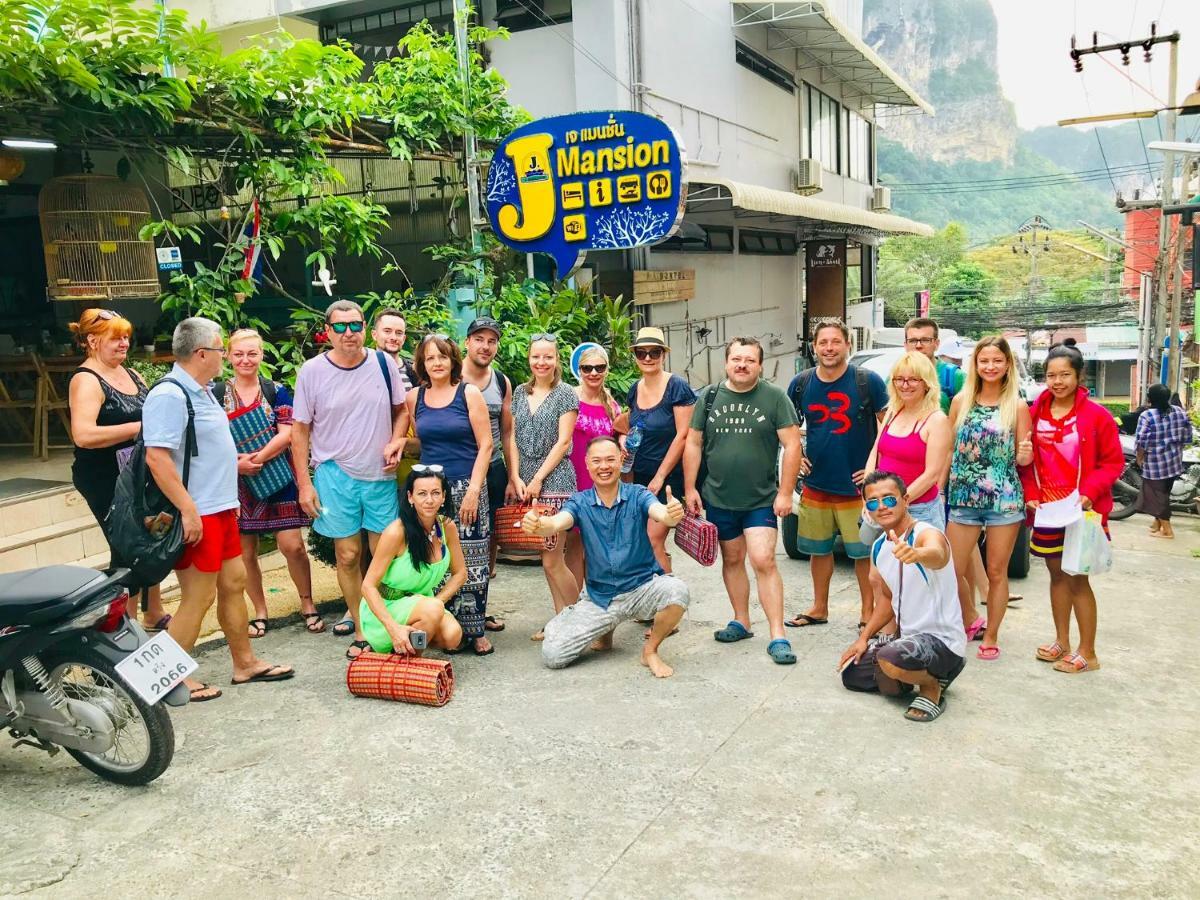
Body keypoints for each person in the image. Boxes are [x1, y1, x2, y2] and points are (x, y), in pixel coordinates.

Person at [143, 317, 293, 702]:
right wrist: (188, 510)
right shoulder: (170, 394)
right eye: (220, 348)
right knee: (199, 596)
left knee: (233, 584)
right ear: (200, 353)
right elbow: (157, 459)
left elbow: (207, 449)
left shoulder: (202, 390)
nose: (224, 355)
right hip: (200, 512)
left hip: (221, 507)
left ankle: (244, 663)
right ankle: (166, 677)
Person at [292, 300, 408, 658]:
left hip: (379, 474)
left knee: (384, 553)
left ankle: (387, 621)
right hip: (334, 474)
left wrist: (397, 439)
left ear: (364, 328)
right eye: (340, 327)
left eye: (355, 325)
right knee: (347, 554)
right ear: (327, 332)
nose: (349, 333)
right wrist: (304, 484)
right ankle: (362, 628)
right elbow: (299, 431)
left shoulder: (383, 363)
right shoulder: (311, 372)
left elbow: (401, 411)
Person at [523, 436, 689, 677]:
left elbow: (661, 513)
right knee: (553, 655)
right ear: (587, 464)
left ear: (621, 461)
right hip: (600, 597)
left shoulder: (637, 494)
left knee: (678, 591)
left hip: (641, 587)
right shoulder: (579, 502)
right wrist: (540, 525)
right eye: (597, 461)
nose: (604, 466)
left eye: (610, 460)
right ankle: (603, 629)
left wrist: (672, 514)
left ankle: (650, 651)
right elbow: (558, 522)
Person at [683, 337, 802, 665]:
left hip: (760, 498)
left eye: (750, 360)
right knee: (732, 559)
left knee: (764, 559)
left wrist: (785, 492)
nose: (742, 365)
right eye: (736, 359)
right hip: (718, 497)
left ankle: (778, 634)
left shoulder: (775, 397)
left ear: (760, 365)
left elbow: (792, 445)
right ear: (726, 363)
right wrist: (690, 488)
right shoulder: (708, 397)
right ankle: (741, 620)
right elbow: (693, 443)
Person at [1021, 342, 1124, 674]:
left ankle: (1088, 652)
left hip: (1082, 511)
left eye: (1065, 374)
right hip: (1049, 511)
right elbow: (1026, 462)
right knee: (1055, 576)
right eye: (1051, 375)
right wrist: (1032, 492)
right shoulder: (1035, 412)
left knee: (1078, 579)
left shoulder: (1097, 416)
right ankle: (1061, 641)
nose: (1057, 381)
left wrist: (1090, 493)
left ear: (1080, 376)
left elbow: (1112, 463)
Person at [67, 308, 169, 631]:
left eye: (126, 337)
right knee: (127, 547)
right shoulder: (86, 380)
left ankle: (154, 611)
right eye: (116, 338)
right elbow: (83, 435)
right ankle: (124, 626)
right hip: (104, 478)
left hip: (137, 472)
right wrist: (134, 429)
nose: (124, 343)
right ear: (92, 341)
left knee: (152, 538)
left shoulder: (131, 373)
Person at [838, 472, 966, 723]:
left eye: (889, 499)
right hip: (909, 640)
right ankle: (915, 675)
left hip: (942, 642)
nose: (882, 506)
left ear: (906, 500)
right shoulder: (879, 546)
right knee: (852, 674)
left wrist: (917, 554)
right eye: (873, 502)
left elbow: (938, 553)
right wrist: (864, 638)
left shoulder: (924, 533)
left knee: (890, 659)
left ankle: (931, 686)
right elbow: (887, 600)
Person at [215, 329, 318, 638]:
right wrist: (237, 464)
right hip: (236, 482)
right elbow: (210, 438)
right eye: (239, 354)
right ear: (229, 356)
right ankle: (260, 611)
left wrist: (255, 459)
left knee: (293, 545)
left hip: (277, 476)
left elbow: (288, 432)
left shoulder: (276, 391)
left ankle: (308, 603)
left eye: (252, 353)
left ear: (261, 355)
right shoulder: (216, 393)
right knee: (246, 552)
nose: (246, 360)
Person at [785, 320, 887, 630]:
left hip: (858, 488)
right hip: (817, 484)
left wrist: (874, 468)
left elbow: (886, 428)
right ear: (814, 347)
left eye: (835, 341)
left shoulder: (868, 381)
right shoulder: (801, 384)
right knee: (818, 550)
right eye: (823, 342)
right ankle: (819, 607)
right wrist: (797, 456)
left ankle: (868, 612)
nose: (829, 348)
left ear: (847, 345)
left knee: (863, 553)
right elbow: (788, 429)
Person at [945, 335, 1033, 660]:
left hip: (1004, 501)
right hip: (963, 498)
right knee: (949, 569)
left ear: (1007, 364)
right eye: (984, 361)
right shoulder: (960, 401)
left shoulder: (1018, 405)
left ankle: (991, 636)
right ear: (976, 365)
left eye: (997, 360)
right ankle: (969, 618)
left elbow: (1023, 460)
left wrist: (1025, 453)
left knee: (997, 573)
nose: (990, 366)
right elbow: (949, 448)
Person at [407, 334, 494, 654]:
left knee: (473, 559)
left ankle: (477, 629)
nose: (437, 363)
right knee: (437, 560)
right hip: (431, 491)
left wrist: (473, 490)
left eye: (442, 357)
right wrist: (396, 445)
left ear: (452, 360)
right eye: (430, 358)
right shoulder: (413, 397)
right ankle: (449, 627)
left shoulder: (468, 393)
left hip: (467, 484)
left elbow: (486, 444)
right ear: (422, 364)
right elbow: (419, 441)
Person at [510, 334, 580, 639]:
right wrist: (516, 477)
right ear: (529, 358)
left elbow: (564, 441)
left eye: (548, 357)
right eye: (536, 356)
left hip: (555, 482)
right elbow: (511, 438)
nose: (542, 362)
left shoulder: (565, 394)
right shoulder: (518, 393)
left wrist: (538, 478)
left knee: (554, 559)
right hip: (525, 482)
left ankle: (581, 620)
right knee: (545, 559)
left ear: (556, 360)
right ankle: (560, 619)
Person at [359, 466, 467, 655]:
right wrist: (394, 628)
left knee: (453, 635)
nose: (429, 500)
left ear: (443, 497)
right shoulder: (396, 532)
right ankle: (408, 661)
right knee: (432, 610)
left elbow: (460, 573)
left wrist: (437, 602)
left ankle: (404, 653)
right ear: (410, 497)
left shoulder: (447, 527)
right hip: (386, 609)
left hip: (423, 604)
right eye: (422, 494)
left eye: (435, 493)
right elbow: (367, 586)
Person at [624, 327, 695, 573]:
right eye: (641, 353)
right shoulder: (634, 389)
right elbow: (630, 426)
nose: (647, 358)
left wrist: (661, 475)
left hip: (668, 477)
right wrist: (623, 441)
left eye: (654, 352)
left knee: (652, 540)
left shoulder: (677, 386)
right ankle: (654, 595)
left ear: (663, 355)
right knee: (643, 542)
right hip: (639, 476)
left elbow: (683, 435)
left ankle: (669, 601)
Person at [461, 317, 516, 624]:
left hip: (493, 468)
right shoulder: (450, 377)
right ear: (467, 342)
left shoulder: (501, 381)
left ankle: (480, 608)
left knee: (490, 539)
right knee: (453, 538)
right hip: (459, 469)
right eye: (479, 339)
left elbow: (507, 433)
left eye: (491, 341)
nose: (485, 346)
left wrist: (512, 476)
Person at [862, 351, 952, 537]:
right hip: (886, 508)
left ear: (927, 383)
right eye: (899, 379)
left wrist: (897, 503)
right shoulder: (893, 411)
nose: (905, 385)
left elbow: (931, 475)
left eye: (913, 380)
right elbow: (875, 453)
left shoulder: (937, 420)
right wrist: (868, 495)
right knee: (884, 563)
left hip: (920, 511)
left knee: (916, 564)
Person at [565, 343, 621, 587]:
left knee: (598, 544)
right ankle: (573, 603)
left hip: (601, 482)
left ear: (607, 370)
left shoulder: (612, 405)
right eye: (587, 368)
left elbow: (621, 438)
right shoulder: (568, 398)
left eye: (599, 367)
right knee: (574, 544)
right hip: (572, 477)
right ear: (579, 370)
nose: (593, 373)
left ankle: (598, 599)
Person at [1135, 382, 1194, 539]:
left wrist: (1139, 457)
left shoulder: (1147, 415)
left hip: (1155, 464)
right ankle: (1157, 524)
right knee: (1164, 494)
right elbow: (1188, 433)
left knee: (1156, 497)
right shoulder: (1179, 411)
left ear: (1150, 398)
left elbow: (1142, 440)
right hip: (1174, 461)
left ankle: (1168, 531)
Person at [905, 317, 964, 415]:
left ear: (936, 344)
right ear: (905, 345)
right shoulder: (895, 377)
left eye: (925, 340)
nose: (918, 345)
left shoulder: (955, 377)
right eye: (913, 340)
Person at [371, 308, 417, 392]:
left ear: (403, 339)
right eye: (387, 331)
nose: (393, 337)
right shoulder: (364, 368)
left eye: (399, 333)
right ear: (374, 335)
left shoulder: (414, 371)